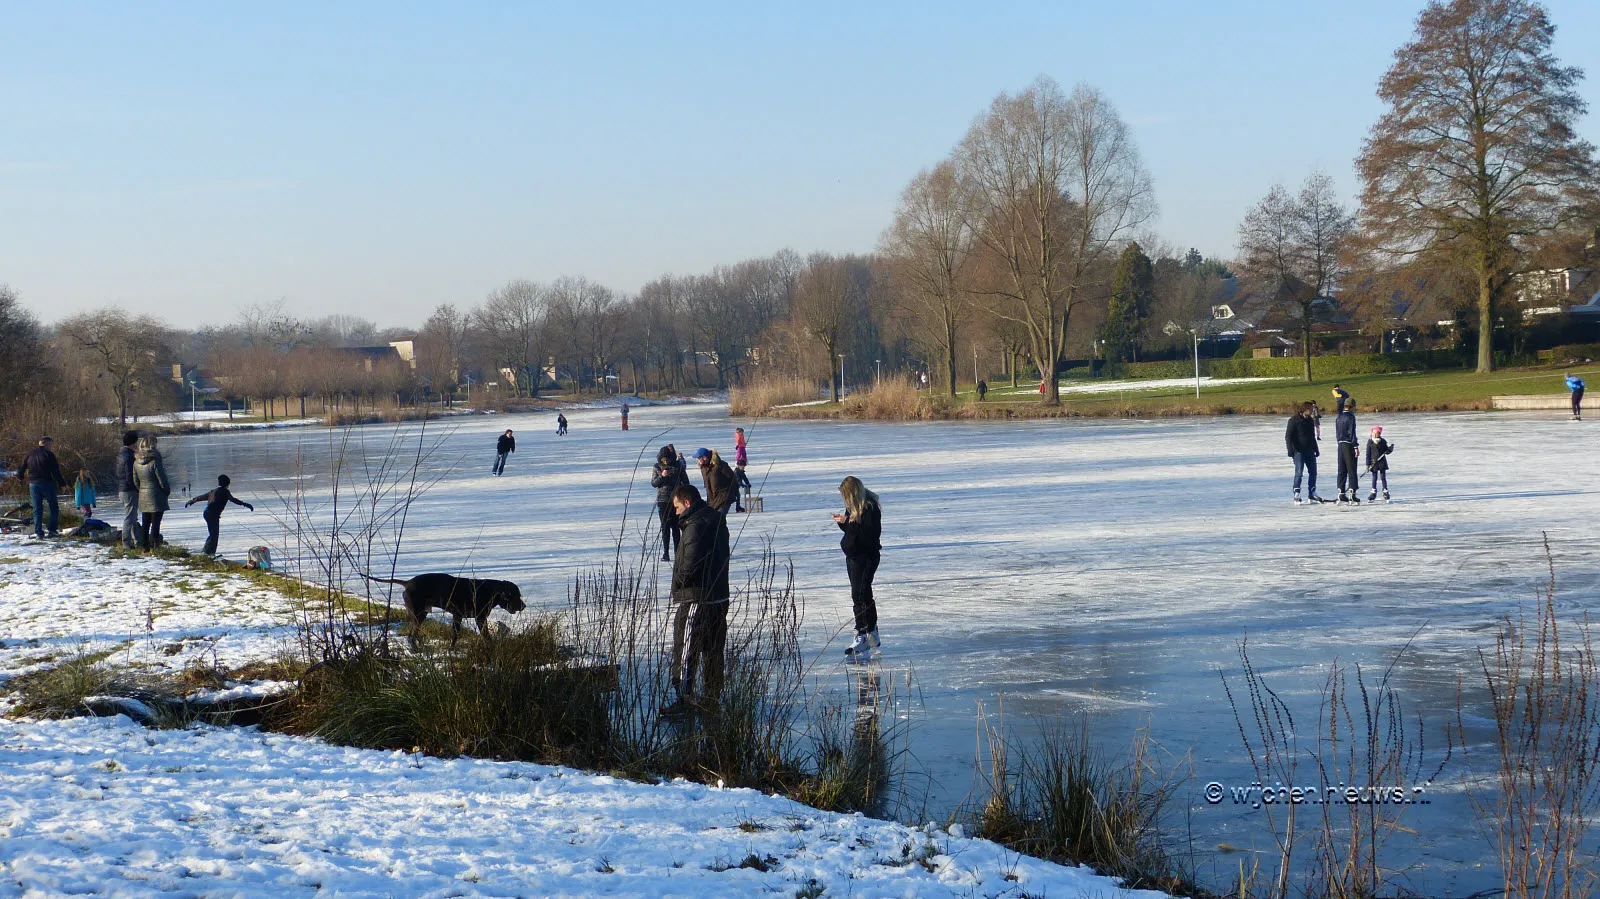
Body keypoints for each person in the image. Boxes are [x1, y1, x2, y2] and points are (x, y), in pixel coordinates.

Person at [662, 484, 730, 716]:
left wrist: (679, 584)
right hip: (719, 597)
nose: (677, 513)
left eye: (678, 507)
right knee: (713, 651)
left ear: (687, 503)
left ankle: (685, 698)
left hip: (696, 598)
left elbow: (689, 565)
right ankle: (711, 697)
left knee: (686, 647)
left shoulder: (694, 526)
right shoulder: (717, 520)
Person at [834, 476, 883, 661]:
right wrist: (844, 523)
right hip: (853, 556)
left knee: (859, 594)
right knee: (863, 593)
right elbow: (853, 533)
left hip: (866, 557)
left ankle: (862, 633)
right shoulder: (854, 508)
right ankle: (871, 631)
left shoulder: (869, 508)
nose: (845, 501)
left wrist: (849, 523)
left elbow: (868, 536)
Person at [185, 474, 255, 556]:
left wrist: (192, 501)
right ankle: (208, 553)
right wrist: (244, 504)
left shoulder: (213, 491)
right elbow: (233, 500)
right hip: (212, 514)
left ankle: (208, 552)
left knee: (213, 534)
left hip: (207, 513)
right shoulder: (225, 492)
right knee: (214, 534)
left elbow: (201, 497)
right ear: (227, 484)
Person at [15, 436, 66, 539]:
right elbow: (56, 471)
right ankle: (52, 530)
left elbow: (22, 468)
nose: (51, 447)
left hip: (33, 485)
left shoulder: (29, 454)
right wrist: (62, 484)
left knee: (37, 509)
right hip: (46, 483)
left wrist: (20, 477)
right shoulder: (49, 454)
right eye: (50, 444)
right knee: (53, 507)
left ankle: (39, 533)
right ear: (46, 444)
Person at [131, 434, 172, 549]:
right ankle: (155, 547)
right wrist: (166, 491)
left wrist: (142, 490)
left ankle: (145, 547)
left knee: (145, 524)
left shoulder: (136, 462)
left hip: (143, 495)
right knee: (156, 524)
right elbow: (162, 480)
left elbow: (136, 481)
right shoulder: (155, 461)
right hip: (157, 496)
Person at [651, 444, 688, 562]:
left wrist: (682, 493)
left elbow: (686, 481)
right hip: (662, 500)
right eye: (663, 459)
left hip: (676, 500)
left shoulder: (678, 466)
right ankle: (665, 552)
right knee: (665, 527)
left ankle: (678, 552)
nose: (665, 461)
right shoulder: (657, 467)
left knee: (676, 527)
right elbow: (654, 483)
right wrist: (662, 476)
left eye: (667, 459)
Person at [1285, 402, 1322, 504]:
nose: (1312, 411)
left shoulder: (1310, 420)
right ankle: (1297, 492)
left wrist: (1316, 449)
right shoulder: (1294, 420)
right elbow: (1288, 436)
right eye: (1310, 409)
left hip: (1309, 450)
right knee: (1299, 473)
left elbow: (1312, 436)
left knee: (1313, 472)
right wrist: (1290, 450)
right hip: (1298, 451)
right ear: (1305, 409)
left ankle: (1312, 492)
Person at [695, 447, 737, 517]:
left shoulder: (720, 465)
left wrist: (731, 493)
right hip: (712, 501)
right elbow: (708, 486)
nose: (698, 460)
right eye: (698, 458)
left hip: (723, 499)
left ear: (705, 457)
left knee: (719, 520)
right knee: (714, 522)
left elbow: (733, 479)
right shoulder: (703, 469)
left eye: (699, 458)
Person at [116, 430, 139, 549]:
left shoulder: (121, 454)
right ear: (132, 443)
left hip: (122, 489)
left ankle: (137, 541)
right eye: (136, 442)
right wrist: (137, 488)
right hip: (129, 490)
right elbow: (131, 476)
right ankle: (126, 543)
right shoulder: (129, 456)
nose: (137, 445)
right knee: (130, 517)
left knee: (133, 516)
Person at [1335, 398, 1361, 504]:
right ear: (1351, 406)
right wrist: (1355, 446)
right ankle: (1352, 493)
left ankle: (1341, 492)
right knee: (1351, 469)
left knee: (1342, 469)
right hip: (1348, 444)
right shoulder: (1350, 417)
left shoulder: (1339, 417)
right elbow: (1351, 432)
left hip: (1340, 444)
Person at [1365, 426, 1395, 503]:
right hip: (1373, 462)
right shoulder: (1370, 442)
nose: (1375, 434)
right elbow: (1368, 454)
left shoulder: (1382, 441)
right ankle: (1373, 492)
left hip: (1381, 462)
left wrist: (1390, 449)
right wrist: (1368, 464)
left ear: (1379, 433)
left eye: (1377, 433)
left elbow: (1386, 452)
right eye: (1374, 433)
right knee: (1374, 477)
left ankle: (1385, 491)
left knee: (1383, 477)